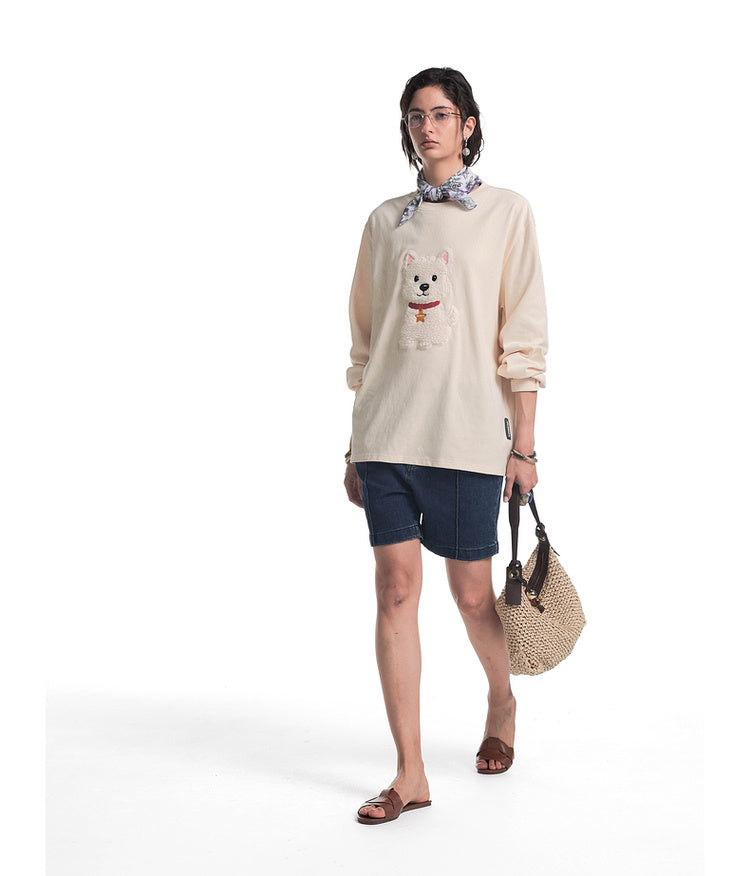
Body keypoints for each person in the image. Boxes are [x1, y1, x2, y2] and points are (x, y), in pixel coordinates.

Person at [343, 67, 549, 825]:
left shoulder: (507, 213)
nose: (426, 128)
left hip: (467, 437)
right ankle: (410, 773)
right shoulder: (384, 222)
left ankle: (501, 700)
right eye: (414, 117)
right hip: (387, 434)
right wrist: (354, 445)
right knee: (395, 591)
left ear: (468, 124)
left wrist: (524, 446)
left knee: (471, 596)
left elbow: (524, 334)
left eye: (440, 114)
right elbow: (367, 342)